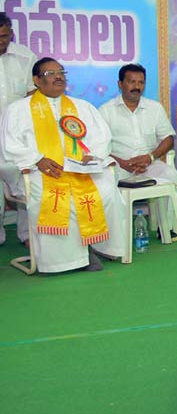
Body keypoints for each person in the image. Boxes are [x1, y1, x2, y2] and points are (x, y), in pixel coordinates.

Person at [0, 58, 129, 273]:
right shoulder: (18, 110)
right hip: (39, 170)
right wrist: (37, 159)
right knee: (50, 194)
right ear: (36, 80)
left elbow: (101, 138)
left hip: (79, 168)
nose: (58, 76)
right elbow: (10, 146)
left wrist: (91, 155)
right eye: (50, 73)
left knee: (106, 189)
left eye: (61, 72)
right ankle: (62, 261)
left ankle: (97, 245)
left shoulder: (81, 106)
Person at [99, 64, 177, 187]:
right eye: (132, 82)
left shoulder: (155, 108)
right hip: (119, 167)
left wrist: (150, 157)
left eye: (141, 82)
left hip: (150, 165)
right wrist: (122, 163)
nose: (137, 86)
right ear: (120, 84)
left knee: (171, 175)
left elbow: (168, 139)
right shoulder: (106, 111)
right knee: (105, 183)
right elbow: (99, 146)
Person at [0, 12, 36, 246]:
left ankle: (26, 234)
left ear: (12, 33)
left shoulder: (26, 57)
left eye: (4, 36)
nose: (1, 41)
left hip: (19, 133)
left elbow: (35, 91)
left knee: (26, 180)